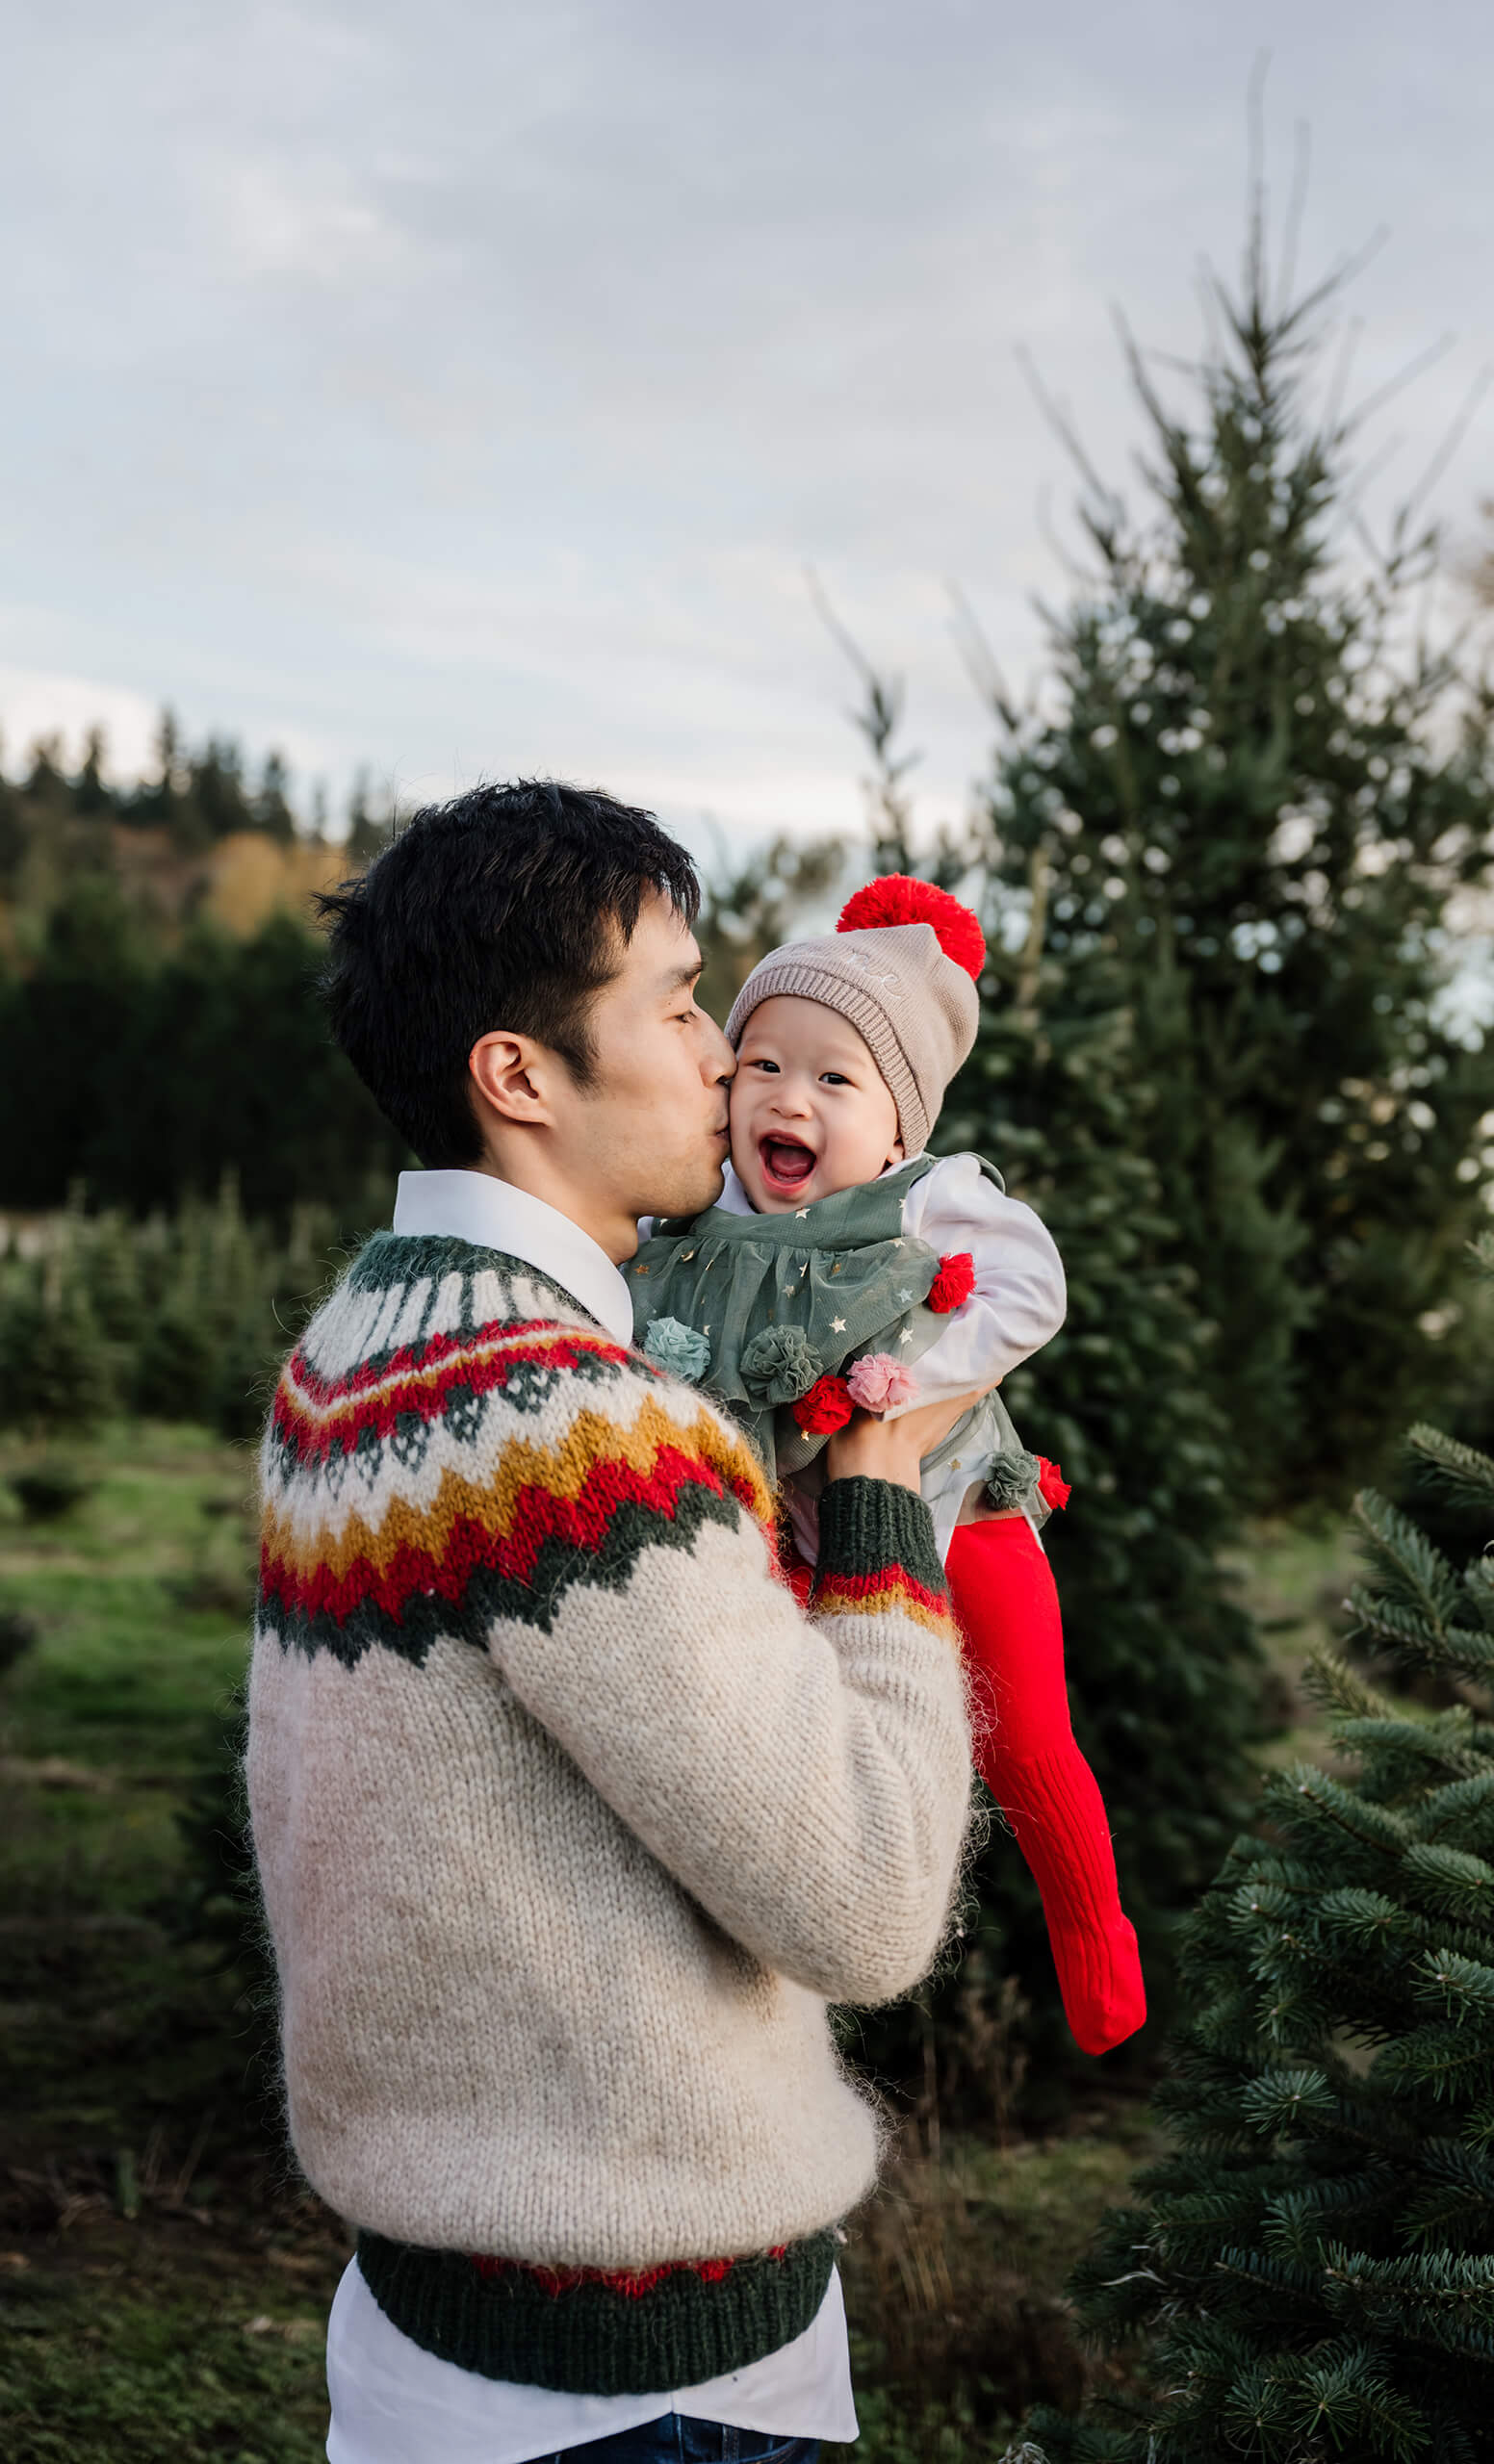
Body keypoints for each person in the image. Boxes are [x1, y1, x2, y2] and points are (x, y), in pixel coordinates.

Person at [245, 783, 979, 2464]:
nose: (726, 1053)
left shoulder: (353, 1351)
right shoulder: (577, 1429)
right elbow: (865, 1905)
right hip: (646, 2387)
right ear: (518, 1076)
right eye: (671, 999)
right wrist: (877, 1490)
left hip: (434, 2332)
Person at [625, 875, 1146, 2061]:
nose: (786, 1097)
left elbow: (1032, 1290)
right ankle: (758, 1964)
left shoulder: (929, 1195)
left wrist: (906, 1393)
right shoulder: (699, 1213)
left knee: (1022, 1731)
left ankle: (1098, 1945)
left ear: (899, 1126)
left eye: (832, 1077)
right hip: (801, 1535)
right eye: (761, 1063)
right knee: (790, 1736)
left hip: (959, 1505)